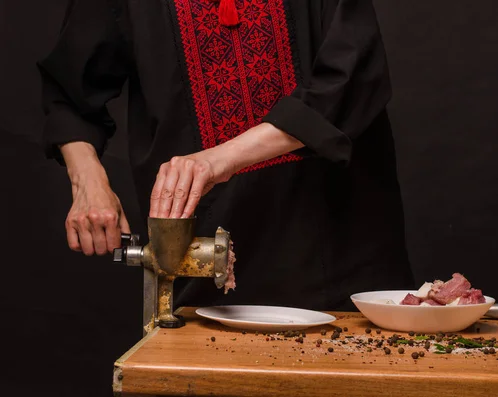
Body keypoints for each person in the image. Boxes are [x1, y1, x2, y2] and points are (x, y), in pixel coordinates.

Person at [38, 0, 414, 311]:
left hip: (341, 255)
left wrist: (219, 158)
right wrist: (87, 182)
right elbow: (70, 96)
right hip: (204, 262)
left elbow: (353, 78)